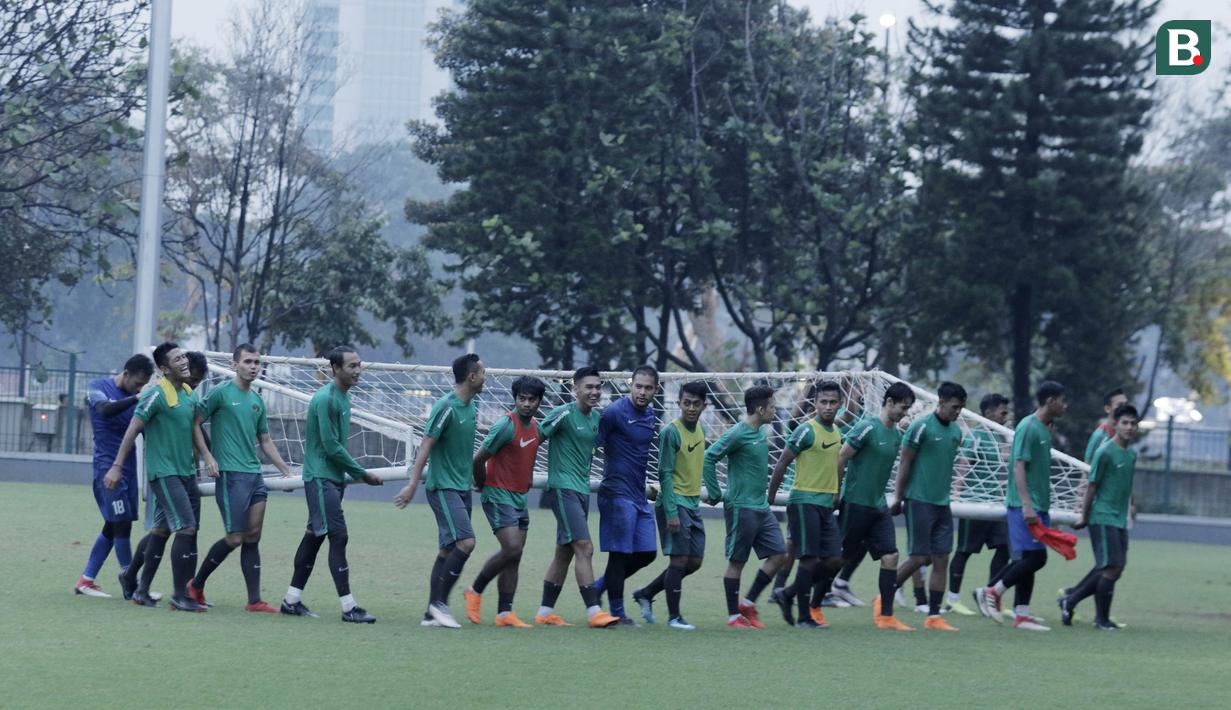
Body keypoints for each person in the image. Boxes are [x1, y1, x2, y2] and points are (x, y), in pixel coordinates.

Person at [187, 344, 293, 613]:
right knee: (235, 537)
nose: (253, 366)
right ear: (234, 365)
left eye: (257, 362)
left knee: (253, 535)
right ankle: (195, 585)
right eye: (247, 361)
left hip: (255, 475)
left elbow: (265, 440)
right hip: (231, 476)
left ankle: (254, 601)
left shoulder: (257, 401)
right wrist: (208, 457)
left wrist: (285, 470)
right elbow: (194, 422)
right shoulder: (220, 393)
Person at [281, 346, 383, 623]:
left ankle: (291, 600)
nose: (358, 371)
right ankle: (349, 607)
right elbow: (331, 446)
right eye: (352, 366)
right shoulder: (326, 399)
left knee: (314, 536)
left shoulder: (343, 397)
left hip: (332, 478)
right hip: (320, 478)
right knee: (338, 536)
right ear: (335, 369)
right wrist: (362, 474)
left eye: (359, 365)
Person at [111, 342, 214, 611]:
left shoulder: (189, 394)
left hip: (186, 472)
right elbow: (133, 429)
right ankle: (180, 595)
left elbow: (194, 430)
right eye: (177, 359)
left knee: (162, 530)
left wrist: (207, 457)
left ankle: (140, 589)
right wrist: (117, 466)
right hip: (164, 473)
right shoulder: (155, 394)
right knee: (186, 528)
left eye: (183, 357)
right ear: (165, 369)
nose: (184, 361)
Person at [395, 353, 485, 629]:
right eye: (483, 373)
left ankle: (430, 613)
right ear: (471, 376)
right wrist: (412, 484)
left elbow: (462, 449)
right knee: (466, 542)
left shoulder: (472, 406)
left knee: (447, 549)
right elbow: (425, 445)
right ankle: (439, 605)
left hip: (461, 487)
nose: (485, 378)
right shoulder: (446, 407)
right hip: (443, 488)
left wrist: (473, 477)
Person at [975, 380, 1067, 631]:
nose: (1065, 406)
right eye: (1062, 401)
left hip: (1039, 505)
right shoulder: (1027, 427)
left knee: (1030, 558)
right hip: (1024, 505)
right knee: (1036, 558)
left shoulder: (1044, 429)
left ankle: (1022, 614)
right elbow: (1018, 466)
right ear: (1050, 401)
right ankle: (992, 591)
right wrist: (1027, 505)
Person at [534, 367, 620, 628]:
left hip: (581, 491)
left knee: (564, 552)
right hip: (562, 489)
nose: (594, 392)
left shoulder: (596, 419)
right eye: (588, 387)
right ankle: (594, 612)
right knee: (585, 547)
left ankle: (544, 612)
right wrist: (520, 473)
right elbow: (532, 440)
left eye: (598, 387)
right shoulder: (562, 413)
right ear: (576, 389)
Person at [461, 375, 547, 628]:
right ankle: (474, 591)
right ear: (515, 399)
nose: (527, 404)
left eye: (532, 400)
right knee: (512, 548)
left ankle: (504, 613)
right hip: (498, 494)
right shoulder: (505, 425)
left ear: (539, 402)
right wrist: (481, 482)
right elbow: (478, 459)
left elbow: (528, 452)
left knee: (514, 556)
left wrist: (528, 476)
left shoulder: (536, 428)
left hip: (519, 497)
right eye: (522, 399)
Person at [703, 385, 790, 629]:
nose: (775, 410)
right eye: (772, 406)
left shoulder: (761, 432)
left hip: (761, 507)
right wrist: (714, 492)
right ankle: (733, 617)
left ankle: (748, 604)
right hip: (741, 508)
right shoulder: (737, 433)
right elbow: (709, 457)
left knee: (780, 554)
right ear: (760, 410)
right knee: (737, 562)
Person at [631, 381, 710, 630]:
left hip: (693, 503)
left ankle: (646, 593)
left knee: (694, 561)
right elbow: (664, 472)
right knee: (679, 559)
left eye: (696, 404)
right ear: (679, 403)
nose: (691, 408)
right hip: (674, 502)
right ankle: (674, 617)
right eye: (686, 403)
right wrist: (671, 511)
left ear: (704, 406)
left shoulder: (701, 430)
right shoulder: (670, 432)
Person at [837, 382, 916, 631]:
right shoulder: (867, 427)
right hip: (855, 503)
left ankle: (885, 616)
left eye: (908, 409)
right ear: (889, 402)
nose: (905, 413)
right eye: (903, 407)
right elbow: (842, 456)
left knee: (891, 556)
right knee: (838, 559)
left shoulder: (896, 435)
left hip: (879, 506)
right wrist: (836, 492)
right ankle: (805, 598)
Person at [74, 354, 154, 598]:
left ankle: (85, 580)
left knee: (114, 524)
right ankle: (130, 580)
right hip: (107, 468)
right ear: (126, 373)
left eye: (143, 385)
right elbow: (105, 410)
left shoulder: (136, 398)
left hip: (128, 468)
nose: (139, 389)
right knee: (120, 524)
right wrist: (138, 397)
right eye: (137, 383)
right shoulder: (98, 387)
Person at [768, 380, 846, 628]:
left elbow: (835, 466)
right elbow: (782, 461)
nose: (828, 406)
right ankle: (804, 617)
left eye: (833, 402)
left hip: (825, 504)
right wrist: (771, 496)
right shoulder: (806, 430)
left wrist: (836, 493)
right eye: (824, 402)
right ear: (815, 403)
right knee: (808, 559)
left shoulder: (836, 432)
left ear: (840, 404)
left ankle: (788, 593)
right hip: (804, 501)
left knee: (834, 560)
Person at [890, 382, 967, 631]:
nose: (958, 411)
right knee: (918, 558)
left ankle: (934, 616)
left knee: (942, 558)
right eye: (955, 407)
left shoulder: (956, 433)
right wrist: (899, 497)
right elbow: (905, 463)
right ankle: (884, 595)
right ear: (941, 402)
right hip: (918, 501)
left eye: (961, 407)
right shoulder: (920, 427)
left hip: (942, 503)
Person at [1060, 404, 1139, 630]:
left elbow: (1127, 483)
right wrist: (1084, 516)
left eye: (1133, 423)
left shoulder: (1131, 454)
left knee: (1115, 567)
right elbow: (1092, 485)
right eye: (1125, 423)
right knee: (1111, 567)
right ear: (1115, 424)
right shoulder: (1104, 452)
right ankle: (1100, 619)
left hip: (1119, 517)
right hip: (1102, 516)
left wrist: (1132, 504)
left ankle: (1070, 600)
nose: (1129, 427)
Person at [593, 366, 660, 626]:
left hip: (639, 495)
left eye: (648, 388)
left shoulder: (651, 415)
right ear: (630, 385)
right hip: (616, 493)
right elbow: (592, 443)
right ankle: (618, 613)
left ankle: (599, 586)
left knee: (647, 553)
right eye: (638, 386)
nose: (642, 392)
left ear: (655, 390)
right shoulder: (614, 412)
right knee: (619, 555)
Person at [946, 393, 1012, 616]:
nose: (1005, 417)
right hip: (974, 503)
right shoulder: (976, 436)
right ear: (988, 413)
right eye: (1002, 412)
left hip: (995, 505)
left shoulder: (1000, 437)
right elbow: (963, 465)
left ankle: (989, 595)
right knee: (965, 551)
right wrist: (957, 494)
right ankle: (953, 599)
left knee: (1004, 548)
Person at [1084, 388, 1127, 462]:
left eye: (1126, 404)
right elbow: (1087, 465)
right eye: (1120, 405)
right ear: (1107, 409)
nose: (1125, 408)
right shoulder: (1099, 436)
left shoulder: (1125, 433)